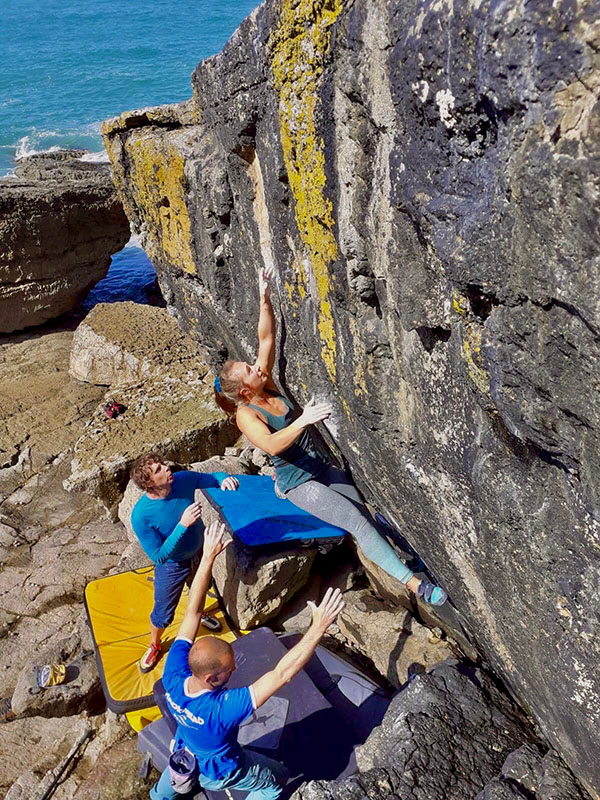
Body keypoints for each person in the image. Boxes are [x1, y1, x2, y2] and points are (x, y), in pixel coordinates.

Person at [214, 267, 447, 606]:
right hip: (298, 482)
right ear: (244, 391)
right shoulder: (246, 415)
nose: (255, 367)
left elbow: (266, 338)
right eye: (248, 371)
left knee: (362, 510)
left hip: (320, 466)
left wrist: (264, 297)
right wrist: (303, 420)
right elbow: (270, 444)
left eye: (250, 366)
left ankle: (398, 560)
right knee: (355, 522)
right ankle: (416, 586)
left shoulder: (263, 382)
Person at [150, 520, 345, 800]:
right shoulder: (221, 709)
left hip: (185, 748)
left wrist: (207, 556)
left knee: (172, 780)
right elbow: (281, 675)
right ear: (212, 678)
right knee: (275, 779)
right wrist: (318, 627)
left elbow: (192, 613)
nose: (235, 669)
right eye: (230, 670)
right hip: (220, 770)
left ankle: (159, 796)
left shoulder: (173, 671)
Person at [130, 452, 240, 673]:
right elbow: (159, 556)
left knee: (201, 589)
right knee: (163, 612)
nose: (166, 468)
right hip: (172, 565)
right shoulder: (141, 516)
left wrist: (223, 478)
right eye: (158, 470)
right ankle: (155, 644)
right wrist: (183, 524)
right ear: (149, 484)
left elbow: (208, 478)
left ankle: (199, 613)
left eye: (162, 464)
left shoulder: (182, 480)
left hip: (199, 552)